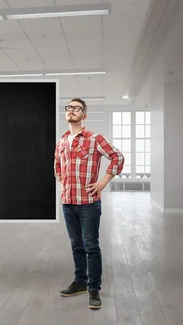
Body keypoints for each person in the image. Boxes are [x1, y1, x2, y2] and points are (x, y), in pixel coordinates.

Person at [54, 98, 124, 310]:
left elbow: (117, 157)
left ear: (84, 115)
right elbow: (57, 164)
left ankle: (94, 288)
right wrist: (63, 185)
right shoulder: (62, 141)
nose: (71, 110)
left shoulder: (94, 139)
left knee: (91, 246)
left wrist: (103, 181)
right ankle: (80, 283)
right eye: (69, 107)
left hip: (88, 204)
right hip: (68, 203)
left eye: (76, 108)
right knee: (76, 246)